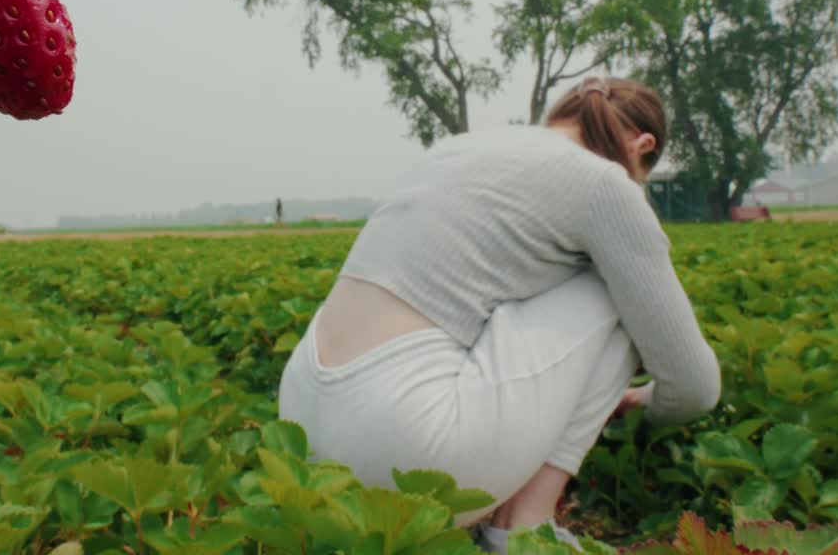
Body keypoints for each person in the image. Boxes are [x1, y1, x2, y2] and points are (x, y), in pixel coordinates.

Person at [278, 76, 721, 553]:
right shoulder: (605, 184)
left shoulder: (459, 149)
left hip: (302, 441)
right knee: (618, 289)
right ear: (643, 145)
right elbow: (696, 387)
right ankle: (522, 530)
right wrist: (638, 400)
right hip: (402, 449)